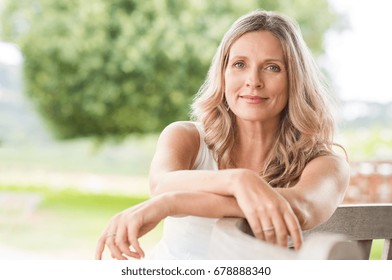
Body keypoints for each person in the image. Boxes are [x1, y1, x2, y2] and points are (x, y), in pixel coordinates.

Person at [95, 10, 350, 260]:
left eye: (272, 68)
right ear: (223, 74)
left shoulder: (327, 164)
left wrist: (171, 204)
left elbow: (300, 208)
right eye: (239, 64)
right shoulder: (186, 137)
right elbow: (161, 184)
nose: (253, 80)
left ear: (295, 79)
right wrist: (237, 181)